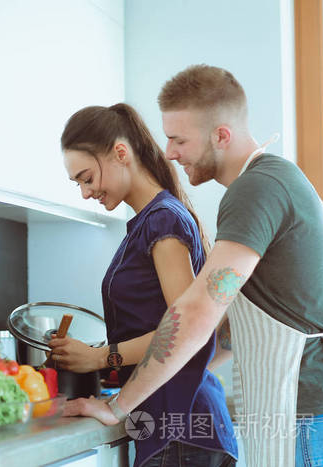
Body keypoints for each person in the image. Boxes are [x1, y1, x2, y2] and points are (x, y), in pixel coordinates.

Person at [64, 65, 323, 467]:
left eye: (179, 139)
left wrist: (119, 406)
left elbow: (197, 311)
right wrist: (165, 378)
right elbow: (228, 329)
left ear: (221, 135)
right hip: (307, 407)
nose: (168, 152)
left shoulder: (256, 189)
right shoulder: (271, 181)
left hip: (305, 410)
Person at [56, 102, 237, 466]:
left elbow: (187, 331)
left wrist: (98, 356)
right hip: (180, 427)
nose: (85, 193)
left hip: (181, 433)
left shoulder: (162, 222)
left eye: (87, 178)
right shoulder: (153, 221)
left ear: (120, 153)